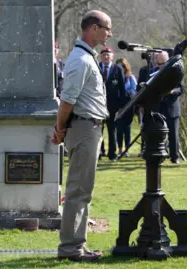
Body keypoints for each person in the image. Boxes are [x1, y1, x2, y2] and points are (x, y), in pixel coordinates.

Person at [51, 9, 112, 262]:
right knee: (77, 190)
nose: (110, 33)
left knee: (83, 191)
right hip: (84, 128)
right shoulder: (81, 59)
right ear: (93, 28)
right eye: (107, 28)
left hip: (90, 128)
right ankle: (70, 248)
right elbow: (67, 100)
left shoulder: (87, 57)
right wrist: (60, 128)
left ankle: (78, 243)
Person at [155, 51, 185, 164]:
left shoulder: (176, 72)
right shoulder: (154, 73)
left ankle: (175, 157)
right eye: (159, 64)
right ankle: (159, 156)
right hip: (158, 107)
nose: (161, 66)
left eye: (163, 63)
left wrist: (172, 91)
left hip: (172, 107)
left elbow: (182, 89)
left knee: (173, 134)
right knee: (158, 134)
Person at [99, 46, 125, 161]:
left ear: (112, 56)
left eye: (108, 55)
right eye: (104, 55)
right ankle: (99, 152)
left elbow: (122, 88)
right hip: (98, 105)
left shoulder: (117, 69)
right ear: (101, 56)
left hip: (113, 106)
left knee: (112, 130)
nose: (106, 57)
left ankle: (112, 154)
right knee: (98, 129)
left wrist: (121, 106)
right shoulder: (96, 67)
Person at [115, 58, 136, 157]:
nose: (121, 68)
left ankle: (126, 150)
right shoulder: (114, 77)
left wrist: (127, 92)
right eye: (119, 66)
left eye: (122, 66)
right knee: (119, 129)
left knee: (127, 129)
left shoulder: (130, 77)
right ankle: (119, 150)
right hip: (118, 106)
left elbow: (134, 91)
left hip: (128, 106)